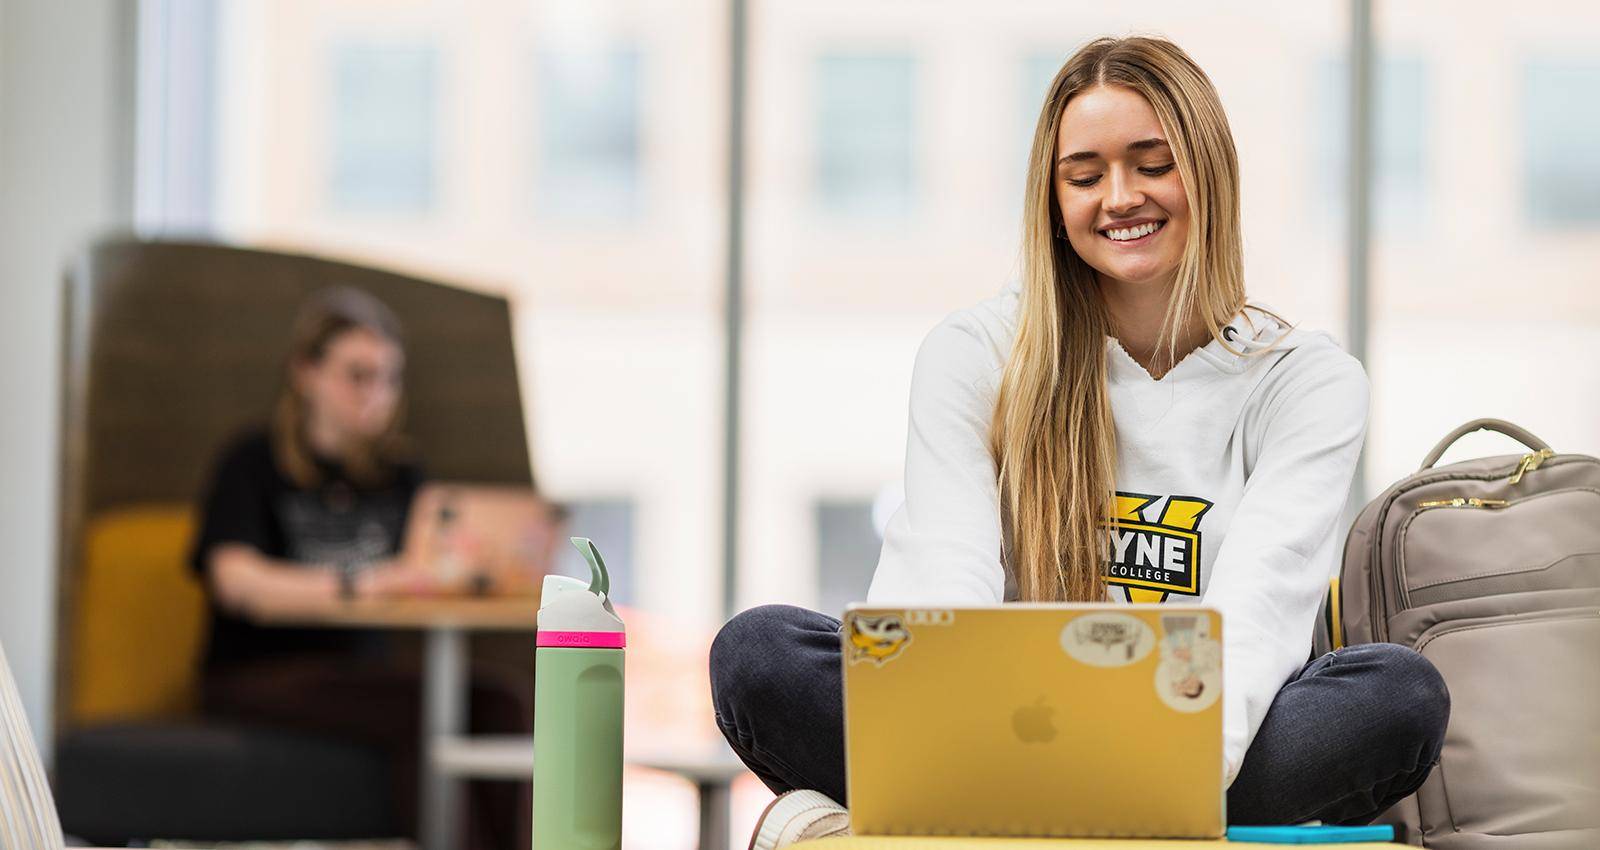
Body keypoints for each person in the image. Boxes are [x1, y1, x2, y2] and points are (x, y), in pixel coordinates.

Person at [709, 36, 1450, 848]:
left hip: (1203, 750)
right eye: (1085, 176)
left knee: (1396, 696)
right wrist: (946, 741)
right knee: (761, 653)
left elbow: (1259, 607)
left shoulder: (1307, 381)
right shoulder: (978, 353)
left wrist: (1150, 773)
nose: (1119, 197)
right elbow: (943, 584)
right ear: (1053, 200)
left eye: (1151, 163)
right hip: (993, 729)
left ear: (1208, 169)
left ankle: (924, 829)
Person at [190, 286, 529, 850]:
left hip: (359, 675)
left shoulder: (400, 474)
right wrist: (362, 583)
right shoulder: (251, 462)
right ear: (307, 372)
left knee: (504, 702)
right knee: (425, 714)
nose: (377, 395)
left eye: (390, 379)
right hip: (254, 676)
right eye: (358, 375)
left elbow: (423, 572)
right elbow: (238, 584)